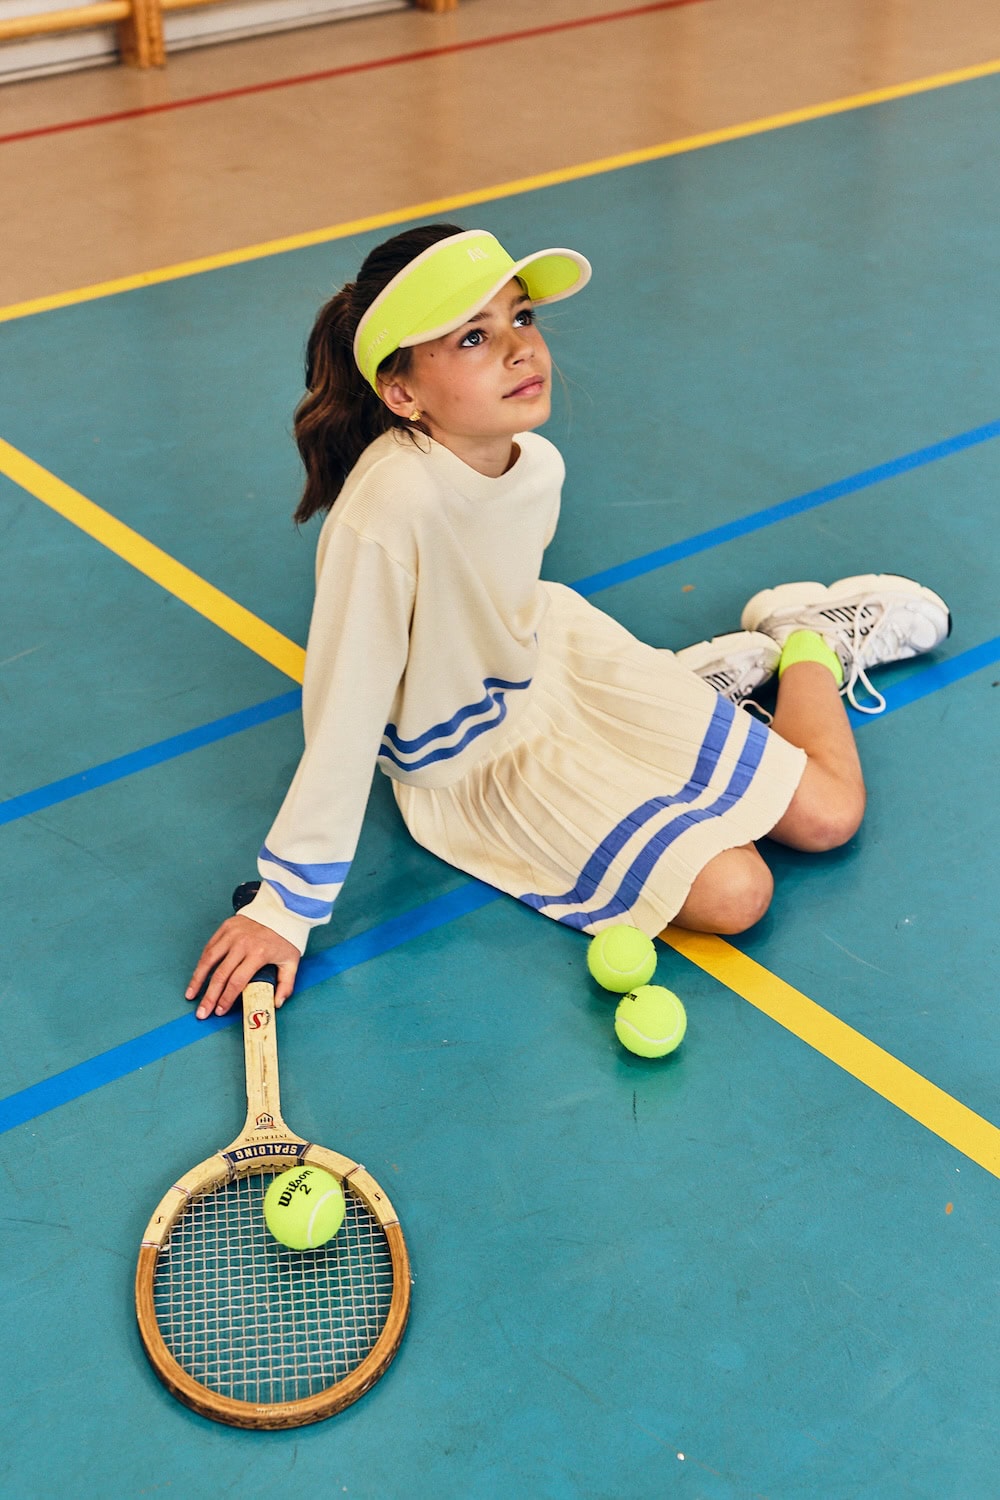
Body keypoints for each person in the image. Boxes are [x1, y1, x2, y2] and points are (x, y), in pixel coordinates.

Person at [186, 224, 950, 1020]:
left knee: (830, 818)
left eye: (522, 317)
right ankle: (699, 689)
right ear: (402, 392)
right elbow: (343, 713)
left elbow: (507, 609)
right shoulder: (388, 511)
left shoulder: (536, 462)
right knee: (737, 895)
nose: (521, 350)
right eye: (474, 336)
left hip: (559, 663)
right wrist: (286, 904)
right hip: (473, 760)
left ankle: (805, 640)